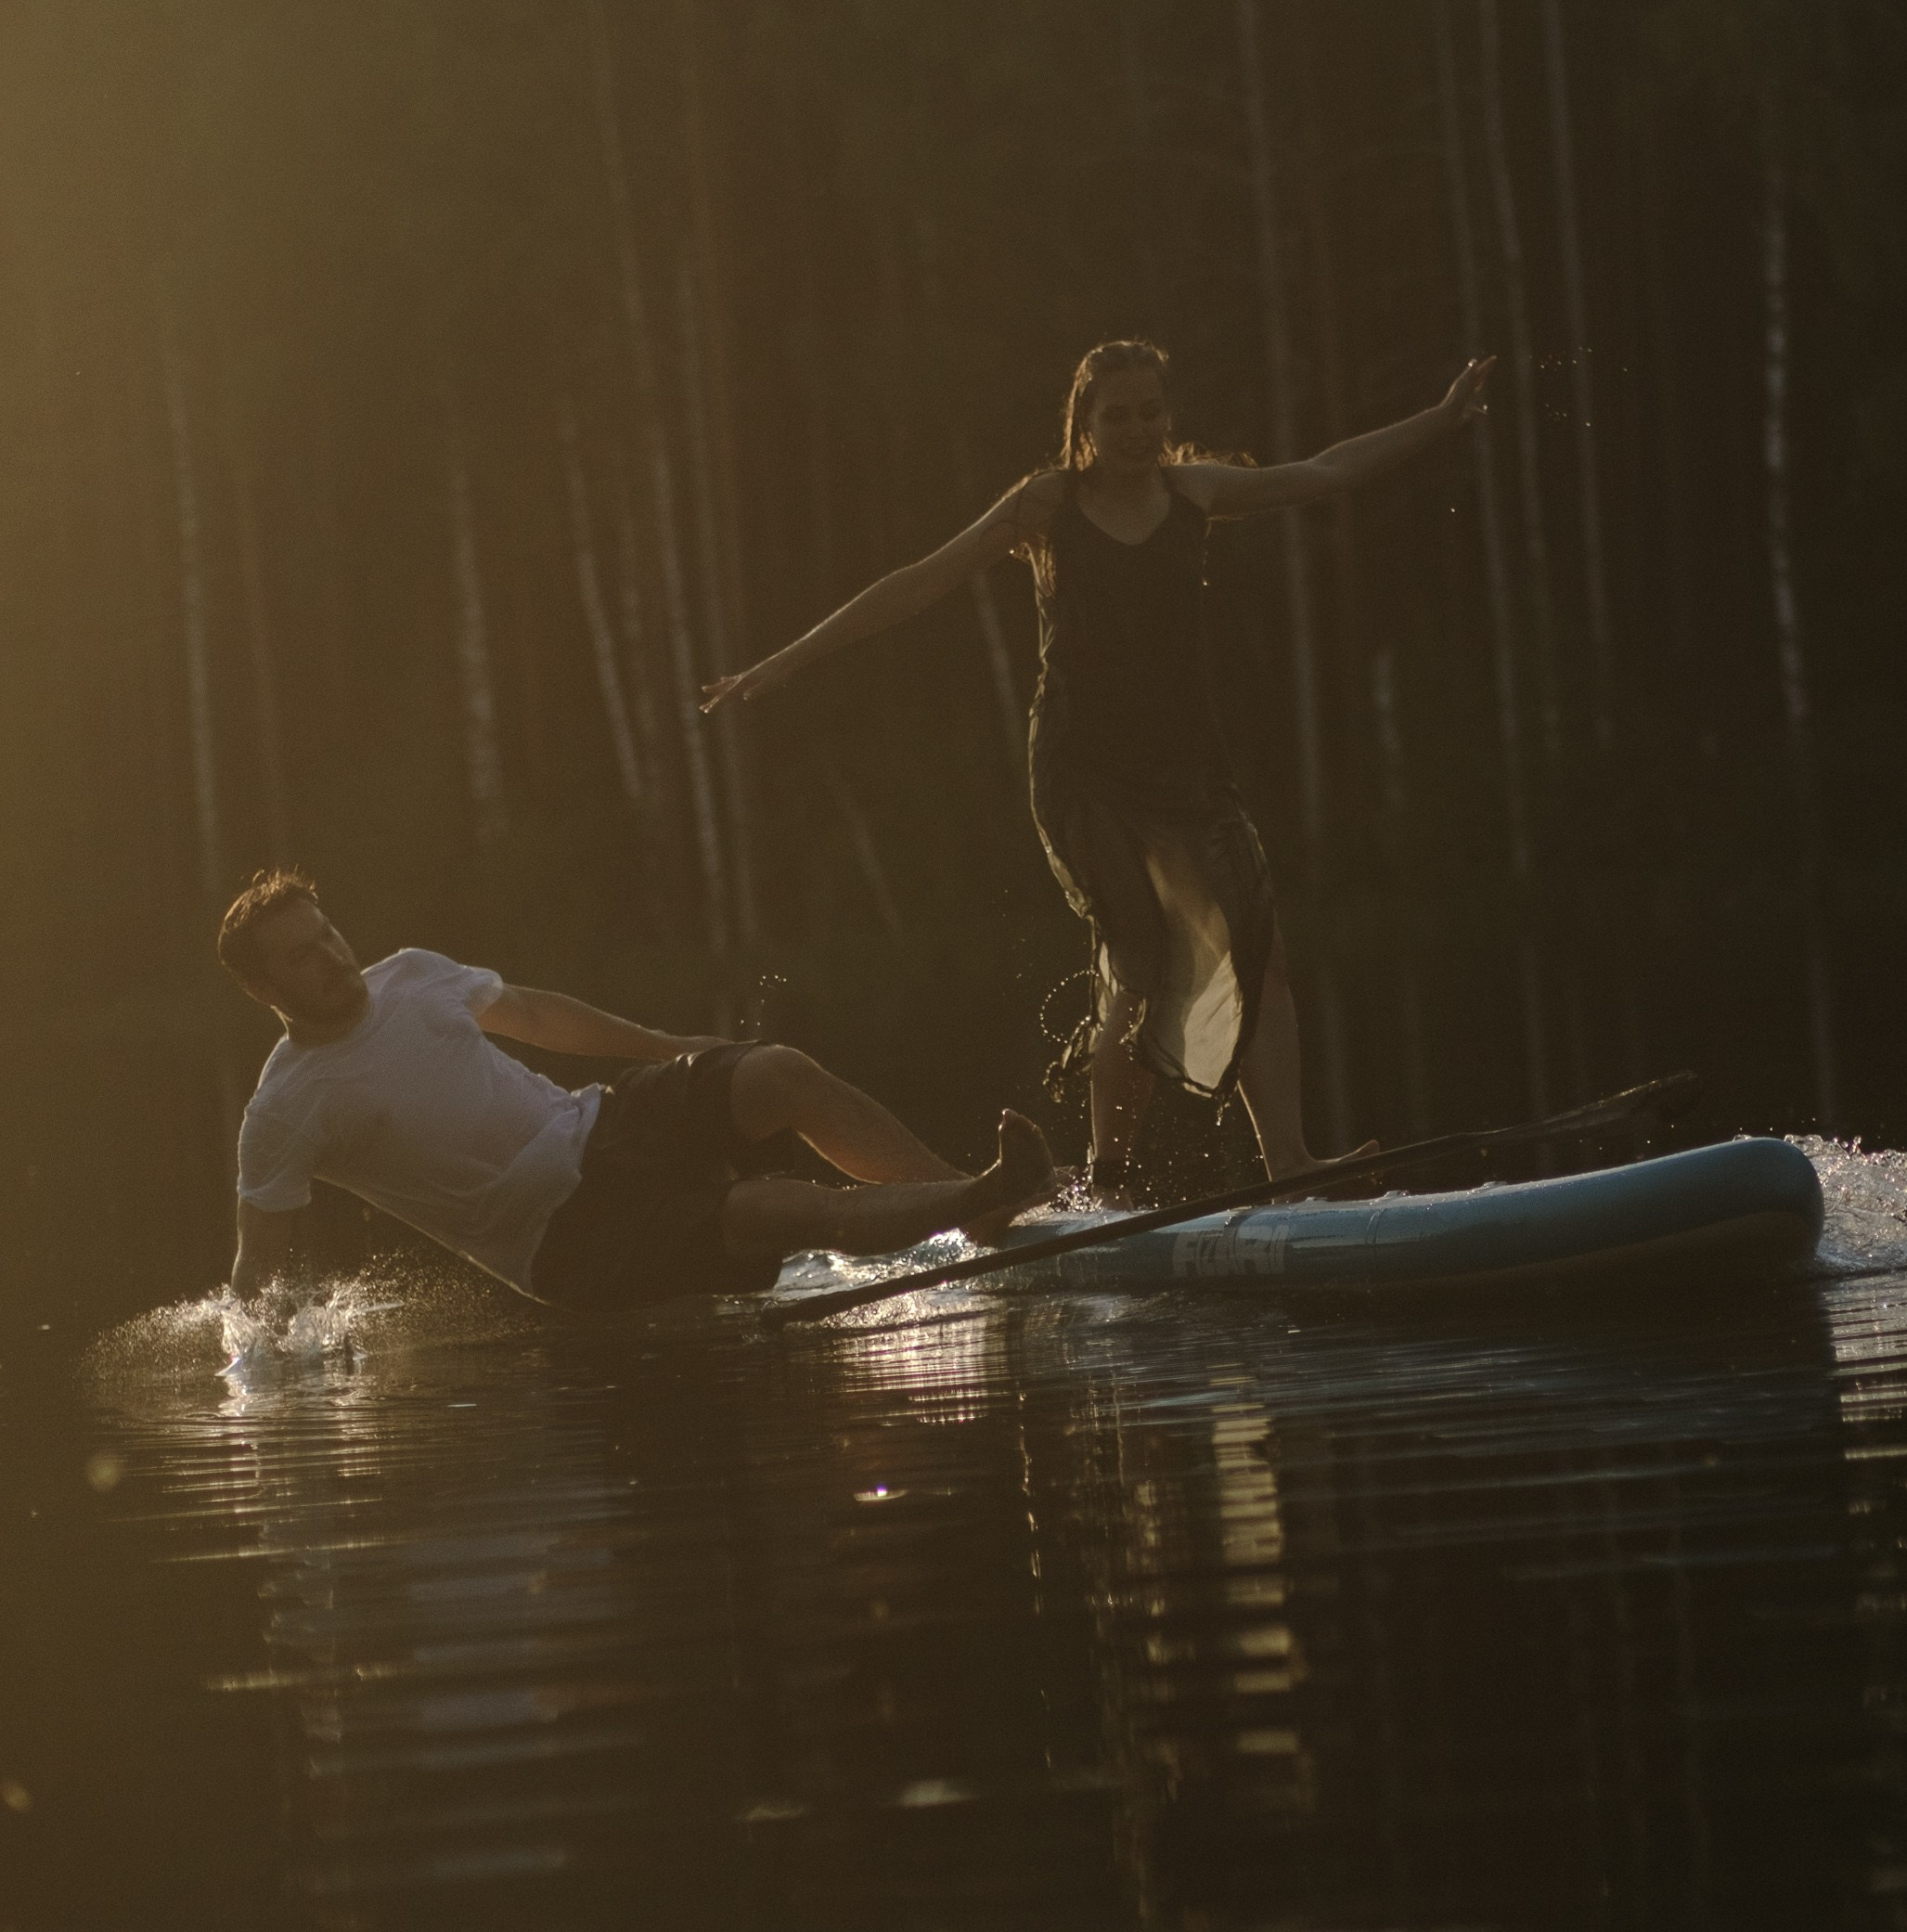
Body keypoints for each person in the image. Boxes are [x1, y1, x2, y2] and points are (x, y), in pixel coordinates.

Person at [702, 341, 1493, 1191]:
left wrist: (1440, 419)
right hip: (1083, 770)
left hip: (1188, 767)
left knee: (1260, 949)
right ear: (1083, 424)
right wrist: (786, 660)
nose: (1138, 429)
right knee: (1143, 954)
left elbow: (1326, 471)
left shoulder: (1196, 490)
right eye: (1117, 415)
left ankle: (1290, 1164)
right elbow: (921, 580)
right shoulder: (1049, 506)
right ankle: (1108, 1176)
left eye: (1152, 411)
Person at [219, 869, 1053, 1312]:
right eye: (301, 956)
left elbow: (541, 1016)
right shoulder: (286, 1108)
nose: (330, 957)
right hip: (564, 1242)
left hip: (601, 1127)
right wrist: (261, 1364)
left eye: (326, 933)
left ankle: (975, 1208)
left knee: (777, 1072)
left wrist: (677, 1047)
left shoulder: (412, 976)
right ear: (264, 992)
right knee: (770, 1207)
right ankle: (982, 1192)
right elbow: (260, 1263)